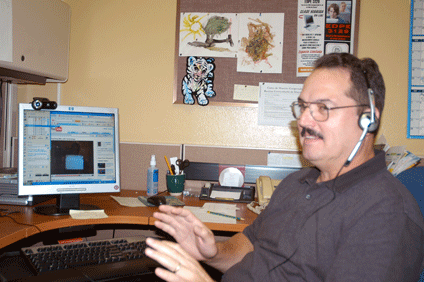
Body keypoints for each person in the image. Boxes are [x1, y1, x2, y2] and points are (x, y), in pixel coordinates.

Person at [145, 53, 424, 281]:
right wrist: (211, 253)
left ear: (368, 120)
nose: (304, 120)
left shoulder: (387, 214)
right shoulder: (296, 183)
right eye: (303, 107)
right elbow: (251, 245)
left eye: (323, 107)